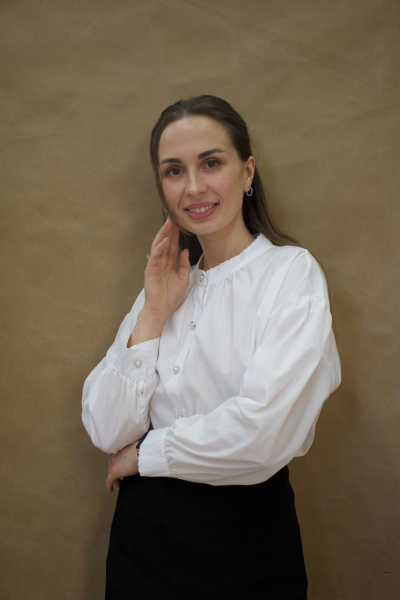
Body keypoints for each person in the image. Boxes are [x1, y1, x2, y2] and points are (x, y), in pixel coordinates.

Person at [82, 95, 341, 599]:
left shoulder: (290, 274)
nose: (194, 187)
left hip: (244, 540)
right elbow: (106, 428)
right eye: (174, 171)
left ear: (248, 172)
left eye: (212, 163)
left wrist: (144, 455)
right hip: (141, 543)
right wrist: (153, 313)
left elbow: (265, 431)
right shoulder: (163, 288)